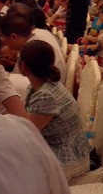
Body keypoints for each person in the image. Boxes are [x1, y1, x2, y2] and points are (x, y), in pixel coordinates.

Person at [19, 40, 90, 180]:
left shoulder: (46, 95)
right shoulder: (39, 86)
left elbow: (25, 133)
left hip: (67, 157)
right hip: (59, 147)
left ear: (23, 66)